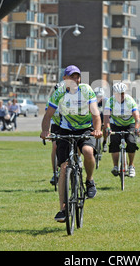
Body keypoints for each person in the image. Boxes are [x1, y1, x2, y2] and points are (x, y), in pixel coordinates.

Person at [40, 65, 102, 223]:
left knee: (88, 152)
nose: (75, 80)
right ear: (65, 79)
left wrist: (97, 130)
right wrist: (45, 131)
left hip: (86, 129)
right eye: (71, 77)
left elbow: (95, 113)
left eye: (77, 77)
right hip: (65, 130)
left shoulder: (86, 90)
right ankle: (63, 209)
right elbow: (48, 115)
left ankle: (89, 180)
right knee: (64, 168)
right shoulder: (59, 92)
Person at [104, 82, 140, 178]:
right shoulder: (110, 101)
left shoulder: (130, 101)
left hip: (130, 124)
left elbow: (137, 117)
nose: (121, 96)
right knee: (114, 141)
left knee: (131, 142)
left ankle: (131, 166)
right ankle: (116, 166)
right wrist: (107, 128)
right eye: (118, 94)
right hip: (115, 124)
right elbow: (106, 117)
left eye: (122, 93)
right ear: (114, 94)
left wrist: (136, 128)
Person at [47, 82, 63, 185]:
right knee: (55, 146)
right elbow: (47, 117)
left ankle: (77, 159)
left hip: (70, 125)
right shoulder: (51, 101)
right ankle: (55, 172)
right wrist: (47, 131)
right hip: (56, 126)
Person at [94, 87, 109, 152]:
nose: (99, 98)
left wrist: (104, 124)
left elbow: (107, 114)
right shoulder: (92, 100)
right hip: (96, 117)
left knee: (105, 128)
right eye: (97, 97)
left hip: (104, 116)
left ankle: (105, 141)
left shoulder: (106, 101)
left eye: (100, 97)